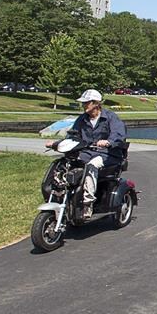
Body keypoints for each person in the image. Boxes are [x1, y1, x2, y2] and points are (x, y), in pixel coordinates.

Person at [45, 89, 127, 220]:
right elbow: (72, 136)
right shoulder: (82, 119)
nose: (83, 105)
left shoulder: (111, 117)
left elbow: (119, 135)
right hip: (87, 152)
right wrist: (56, 144)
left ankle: (87, 203)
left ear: (95, 103)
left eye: (86, 103)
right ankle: (59, 195)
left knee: (91, 165)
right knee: (64, 164)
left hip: (108, 154)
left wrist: (108, 142)